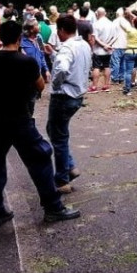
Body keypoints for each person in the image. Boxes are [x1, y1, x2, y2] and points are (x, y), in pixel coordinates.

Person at [0, 20, 81, 225]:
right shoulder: (26, 62)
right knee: (40, 158)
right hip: (20, 119)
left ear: (0, 37)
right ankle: (53, 207)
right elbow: (41, 86)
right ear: (19, 38)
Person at [47, 14, 92, 194]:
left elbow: (63, 68)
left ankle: (62, 179)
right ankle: (70, 166)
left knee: (58, 137)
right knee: (56, 132)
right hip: (77, 95)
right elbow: (70, 64)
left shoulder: (67, 47)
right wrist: (53, 56)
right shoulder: (83, 45)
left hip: (63, 96)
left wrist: (56, 84)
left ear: (61, 31)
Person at [21, 19, 50, 115]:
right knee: (27, 101)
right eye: (37, 25)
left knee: (32, 101)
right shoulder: (21, 41)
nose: (40, 26)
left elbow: (42, 55)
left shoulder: (39, 38)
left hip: (38, 75)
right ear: (31, 29)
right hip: (25, 77)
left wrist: (46, 70)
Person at [90, 7, 115, 93]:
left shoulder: (95, 24)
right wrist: (108, 45)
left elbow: (95, 38)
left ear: (97, 14)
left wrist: (103, 45)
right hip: (108, 50)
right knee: (107, 66)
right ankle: (106, 85)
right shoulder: (111, 23)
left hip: (98, 50)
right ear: (105, 13)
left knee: (96, 67)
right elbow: (115, 37)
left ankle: (94, 86)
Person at [110, 8, 129, 84]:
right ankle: (122, 78)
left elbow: (112, 34)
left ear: (117, 14)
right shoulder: (126, 22)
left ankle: (115, 78)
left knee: (115, 62)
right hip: (125, 45)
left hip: (116, 45)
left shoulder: (114, 22)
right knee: (123, 63)